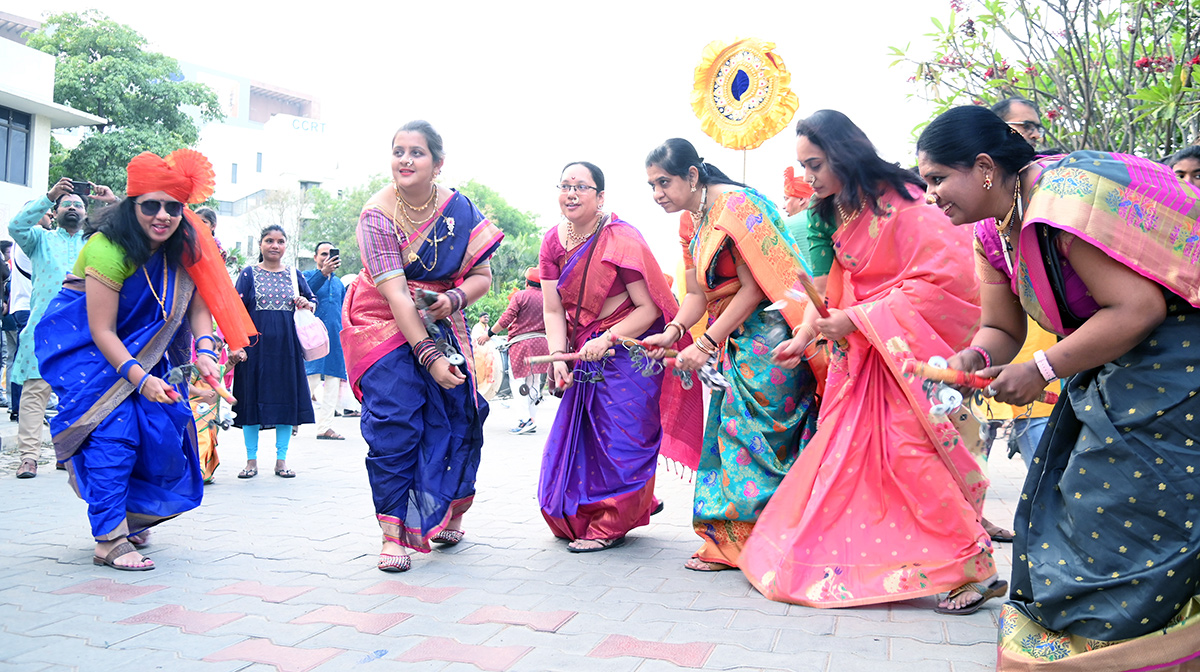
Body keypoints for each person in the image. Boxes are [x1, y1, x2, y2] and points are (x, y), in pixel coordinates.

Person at [917, 105, 1200, 669]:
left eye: (937, 179)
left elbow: (1139, 308)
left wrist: (1043, 368)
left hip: (1174, 367)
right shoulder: (991, 233)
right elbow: (1002, 328)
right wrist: (971, 357)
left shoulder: (1061, 203)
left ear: (984, 167)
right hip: (1109, 373)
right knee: (1067, 504)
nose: (930, 195)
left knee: (1119, 511)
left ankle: (1137, 650)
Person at [739, 111, 997, 612]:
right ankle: (885, 564)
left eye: (814, 164)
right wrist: (808, 333)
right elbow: (842, 287)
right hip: (864, 360)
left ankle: (973, 565)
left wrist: (856, 321)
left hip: (899, 358)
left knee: (910, 457)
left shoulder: (905, 203)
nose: (808, 178)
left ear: (843, 152)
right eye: (804, 167)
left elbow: (948, 278)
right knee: (852, 466)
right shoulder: (844, 208)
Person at [35, 149, 253, 570]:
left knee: (161, 433)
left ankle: (128, 516)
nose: (162, 216)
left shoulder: (182, 245)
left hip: (146, 354)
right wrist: (140, 379)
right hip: (89, 351)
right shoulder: (106, 249)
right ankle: (109, 539)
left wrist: (206, 351)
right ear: (131, 205)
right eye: (150, 205)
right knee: (115, 434)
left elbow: (195, 304)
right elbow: (101, 330)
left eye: (172, 207)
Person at [639, 139, 818, 572]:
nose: (657, 193)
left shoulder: (740, 207)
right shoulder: (693, 222)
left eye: (664, 182)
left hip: (767, 340)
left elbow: (757, 287)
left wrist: (705, 343)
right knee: (727, 439)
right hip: (730, 340)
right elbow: (697, 294)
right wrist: (675, 331)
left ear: (693, 176)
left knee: (755, 440)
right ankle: (731, 541)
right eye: (651, 186)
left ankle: (764, 543)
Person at [342, 120, 503, 572]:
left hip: (438, 313)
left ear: (438, 163)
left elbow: (482, 278)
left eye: (417, 153)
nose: (405, 160)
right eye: (398, 151)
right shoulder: (376, 215)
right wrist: (430, 357)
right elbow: (395, 294)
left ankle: (449, 509)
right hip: (379, 319)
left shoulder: (459, 210)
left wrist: (451, 299)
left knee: (460, 412)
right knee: (396, 420)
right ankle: (392, 535)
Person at [539, 160, 702, 553]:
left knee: (621, 439)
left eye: (581, 186)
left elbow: (647, 309)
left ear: (601, 196)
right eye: (565, 185)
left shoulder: (621, 238)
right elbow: (552, 309)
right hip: (584, 353)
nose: (572, 193)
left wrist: (608, 338)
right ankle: (626, 505)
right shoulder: (552, 242)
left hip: (629, 352)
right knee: (584, 443)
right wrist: (559, 356)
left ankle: (612, 521)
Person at [9, 177, 117, 478]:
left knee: (78, 394)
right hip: (43, 328)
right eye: (65, 203)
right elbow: (16, 226)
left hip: (84, 331)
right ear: (54, 212)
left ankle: (65, 452)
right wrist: (49, 195)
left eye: (78, 204)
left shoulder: (96, 243)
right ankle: (29, 457)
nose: (72, 207)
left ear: (86, 213)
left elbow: (130, 233)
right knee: (35, 392)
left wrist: (112, 203)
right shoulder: (40, 240)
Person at [229, 225, 316, 478]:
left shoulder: (294, 275)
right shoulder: (248, 274)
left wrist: (305, 303)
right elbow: (235, 311)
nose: (274, 245)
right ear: (260, 245)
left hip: (287, 351)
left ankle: (281, 460)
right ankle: (251, 461)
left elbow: (312, 302)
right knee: (250, 402)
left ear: (285, 246)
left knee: (286, 404)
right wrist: (235, 346)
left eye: (280, 241)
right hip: (254, 351)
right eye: (269, 241)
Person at [483, 267, 549, 434]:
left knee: (518, 381)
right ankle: (531, 419)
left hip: (523, 344)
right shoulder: (549, 298)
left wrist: (489, 334)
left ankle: (524, 420)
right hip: (542, 344)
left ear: (527, 282)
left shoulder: (520, 295)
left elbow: (507, 318)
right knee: (534, 382)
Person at [304, 241, 348, 440]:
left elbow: (344, 310)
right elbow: (304, 292)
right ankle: (292, 421)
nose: (327, 257)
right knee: (308, 380)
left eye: (331, 254)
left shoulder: (339, 283)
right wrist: (322, 272)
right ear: (315, 258)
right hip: (313, 339)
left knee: (332, 382)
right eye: (323, 254)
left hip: (336, 340)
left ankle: (325, 427)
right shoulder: (306, 277)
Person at [5, 241, 32, 422]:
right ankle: (20, 407)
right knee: (24, 358)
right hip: (27, 305)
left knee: (16, 357)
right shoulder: (28, 241)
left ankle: (17, 407)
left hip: (20, 307)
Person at [781, 167, 814, 266]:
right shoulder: (830, 220)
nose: (783, 206)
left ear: (801, 200)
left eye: (787, 199)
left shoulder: (786, 225)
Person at [470, 313, 503, 401]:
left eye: (488, 317)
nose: (486, 318)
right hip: (479, 354)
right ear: (480, 318)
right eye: (484, 317)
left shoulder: (488, 327)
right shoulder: (477, 327)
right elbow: (477, 339)